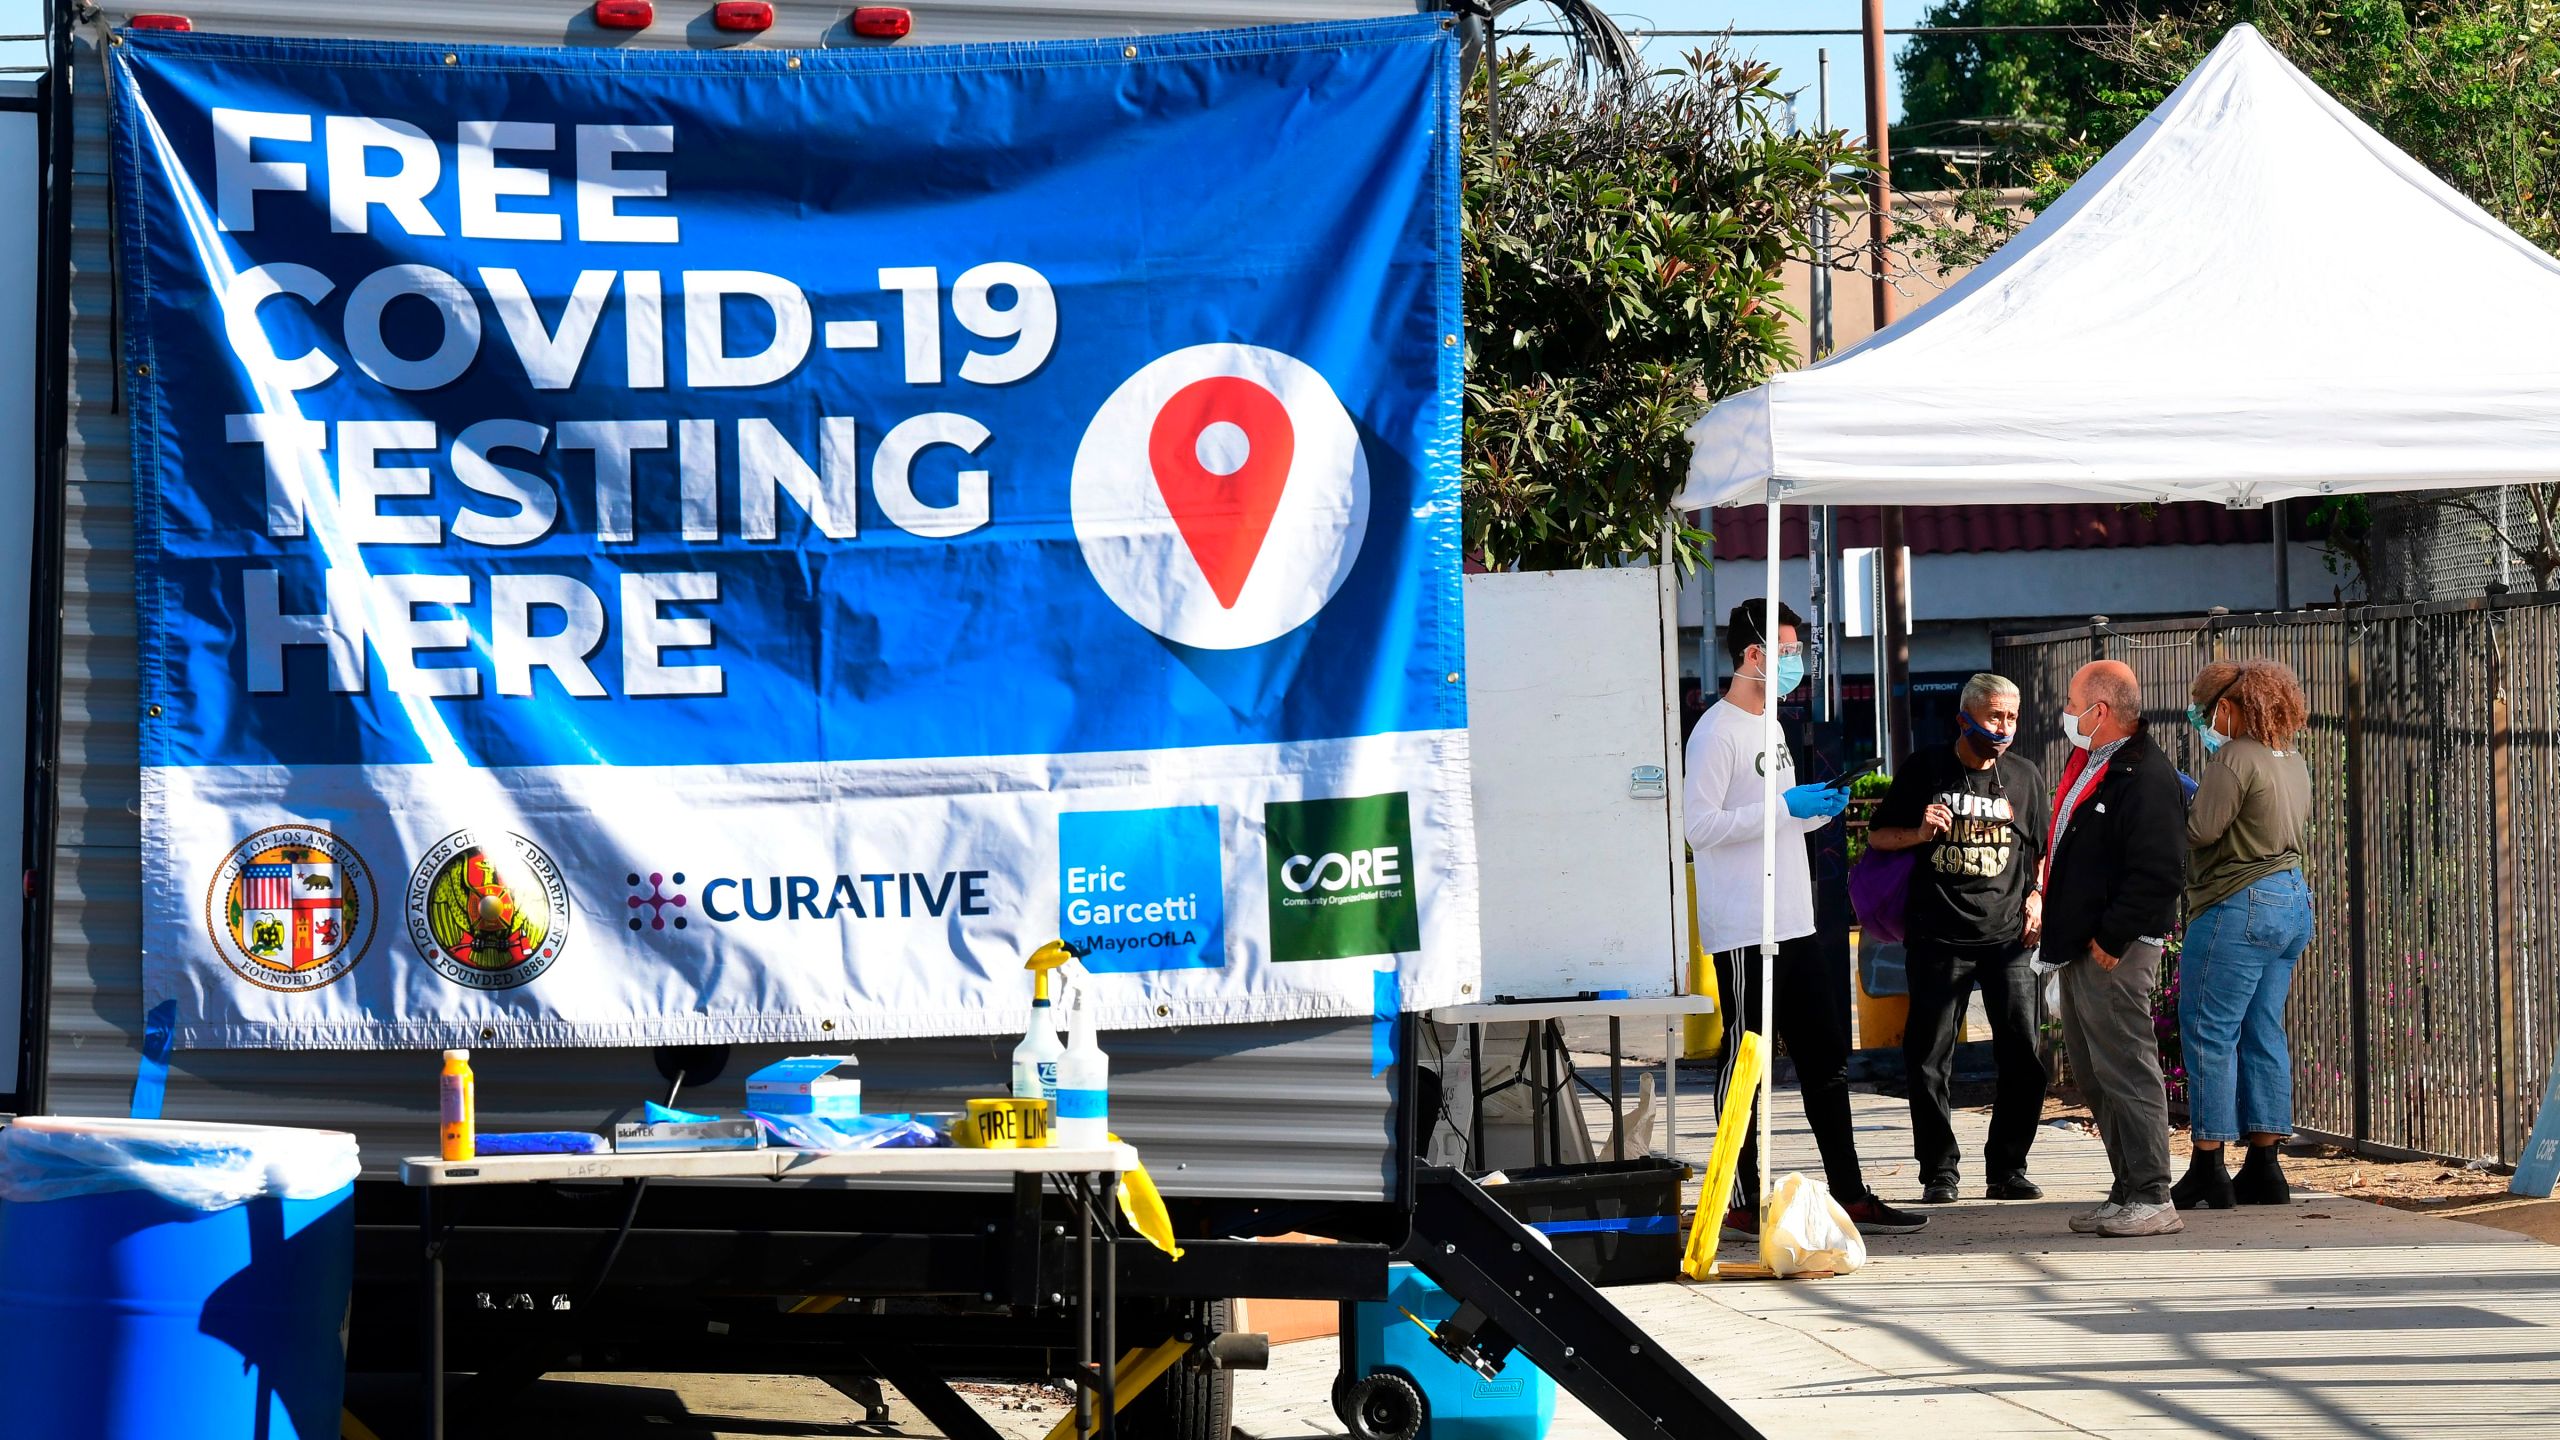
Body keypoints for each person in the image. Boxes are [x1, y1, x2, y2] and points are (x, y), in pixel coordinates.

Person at [1687, 600, 1927, 1237]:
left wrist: (1819, 808)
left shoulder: (1772, 726)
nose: (1797, 663)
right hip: (1745, 929)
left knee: (1826, 1061)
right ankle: (1739, 1197)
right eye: (1788, 651)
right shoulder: (1715, 732)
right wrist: (1780, 805)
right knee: (1746, 1062)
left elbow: (1782, 818)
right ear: (1754, 655)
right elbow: (1700, 829)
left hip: (1796, 918)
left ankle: (1848, 1193)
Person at [1867, 673, 2051, 1204]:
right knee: (1928, 1058)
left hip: (2009, 941)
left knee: (2021, 1053)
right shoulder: (1925, 769)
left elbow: (2042, 850)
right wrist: (1919, 832)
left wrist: (2037, 898)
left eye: (2012, 718)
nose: (2004, 728)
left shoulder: (2025, 776)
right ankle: (1938, 1170)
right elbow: (1880, 836)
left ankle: (2008, 1167)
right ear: (1963, 718)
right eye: (1995, 716)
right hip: (1937, 937)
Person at [2042, 660, 2188, 1238]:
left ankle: (2152, 1194)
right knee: (2097, 1072)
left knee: (2126, 1067)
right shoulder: (2096, 761)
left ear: (2099, 711)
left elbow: (2158, 871)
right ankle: (2128, 1187)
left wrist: (2111, 936)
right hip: (2083, 944)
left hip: (2114, 950)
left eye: (2073, 702)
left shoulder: (2144, 774)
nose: (2065, 713)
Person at [2170, 660, 2315, 1210]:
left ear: (2227, 708)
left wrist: (2179, 797)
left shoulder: (2232, 756)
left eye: (2207, 713)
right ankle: (2265, 1166)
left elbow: (2199, 831)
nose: (2205, 723)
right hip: (2292, 899)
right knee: (2264, 1030)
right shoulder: (2292, 758)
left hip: (2239, 902)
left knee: (2209, 1030)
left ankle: (2208, 1165)